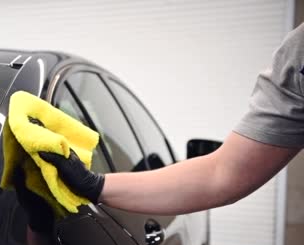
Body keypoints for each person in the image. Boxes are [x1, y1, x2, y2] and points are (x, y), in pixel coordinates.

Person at [40, 23, 304, 216]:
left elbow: (220, 174)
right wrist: (93, 185)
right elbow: (221, 174)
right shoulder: (299, 54)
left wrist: (96, 185)